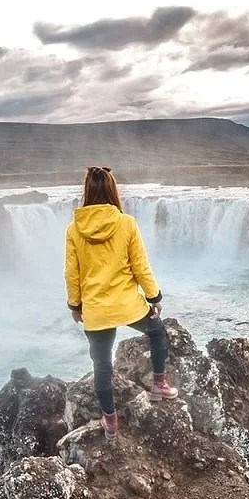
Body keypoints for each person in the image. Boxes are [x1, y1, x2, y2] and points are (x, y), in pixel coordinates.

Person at [65, 166, 178, 440]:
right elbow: (141, 266)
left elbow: (72, 272)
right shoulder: (126, 223)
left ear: (87, 192)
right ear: (113, 191)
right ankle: (160, 384)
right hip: (128, 304)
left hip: (95, 308)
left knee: (101, 365)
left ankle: (111, 422)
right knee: (157, 330)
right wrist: (154, 298)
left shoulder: (74, 229)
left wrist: (75, 306)